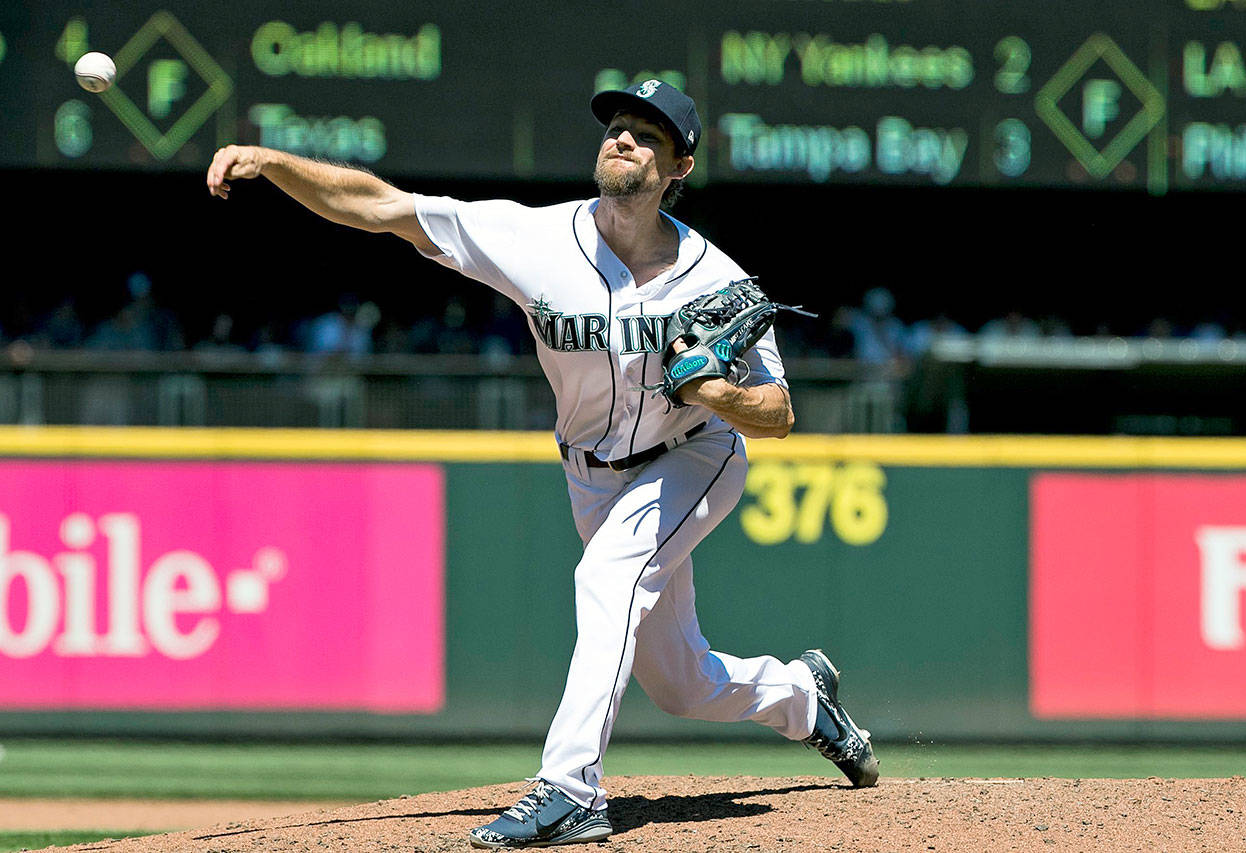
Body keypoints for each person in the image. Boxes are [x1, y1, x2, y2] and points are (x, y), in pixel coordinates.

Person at [206, 79, 877, 849]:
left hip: (696, 457)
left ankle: (571, 790)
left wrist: (719, 389)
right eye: (617, 126)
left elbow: (780, 413)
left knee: (607, 575)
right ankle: (803, 695)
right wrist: (270, 160)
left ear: (680, 164)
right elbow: (380, 207)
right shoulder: (533, 239)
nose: (622, 138)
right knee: (682, 685)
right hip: (592, 472)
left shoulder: (718, 280)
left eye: (646, 133)